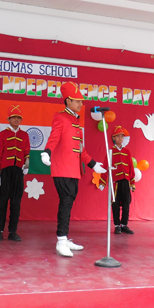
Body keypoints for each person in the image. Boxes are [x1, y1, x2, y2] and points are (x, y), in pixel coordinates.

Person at [41, 81, 106, 257]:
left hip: (74, 170)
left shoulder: (76, 122)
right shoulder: (60, 117)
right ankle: (61, 240)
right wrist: (47, 152)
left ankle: (65, 237)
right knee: (66, 202)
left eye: (81, 101)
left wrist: (94, 165)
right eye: (77, 101)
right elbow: (54, 138)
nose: (80, 104)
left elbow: (80, 150)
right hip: (62, 168)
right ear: (68, 101)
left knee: (68, 203)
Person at [0, 104, 30, 242]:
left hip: (18, 172)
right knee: (2, 202)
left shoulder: (24, 135)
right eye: (14, 117)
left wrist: (26, 164)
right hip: (5, 172)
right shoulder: (2, 134)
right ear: (9, 119)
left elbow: (26, 152)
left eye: (18, 118)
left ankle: (13, 231)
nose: (16, 120)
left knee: (16, 203)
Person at [99, 126, 136, 235]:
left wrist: (132, 182)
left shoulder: (127, 151)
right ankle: (117, 225)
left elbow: (130, 167)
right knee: (115, 204)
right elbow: (106, 167)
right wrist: (102, 182)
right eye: (118, 136)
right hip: (115, 182)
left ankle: (124, 225)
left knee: (126, 203)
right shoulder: (110, 151)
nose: (120, 138)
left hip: (125, 181)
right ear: (113, 138)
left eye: (122, 136)